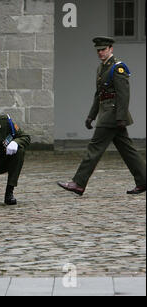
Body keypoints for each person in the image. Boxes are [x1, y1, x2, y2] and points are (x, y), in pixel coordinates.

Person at [58, 36, 146, 196]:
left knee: (94, 148)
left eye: (103, 49)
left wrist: (120, 117)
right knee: (128, 150)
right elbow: (99, 95)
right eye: (98, 50)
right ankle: (144, 181)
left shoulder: (118, 68)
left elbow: (123, 95)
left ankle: (78, 183)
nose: (100, 53)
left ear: (111, 49)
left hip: (112, 115)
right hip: (106, 113)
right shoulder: (101, 68)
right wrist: (91, 116)